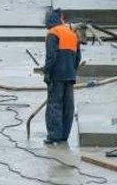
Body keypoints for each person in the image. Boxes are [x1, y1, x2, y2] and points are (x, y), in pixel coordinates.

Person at [42, 8, 81, 145]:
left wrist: (47, 72)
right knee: (68, 106)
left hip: (57, 75)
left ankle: (54, 136)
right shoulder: (72, 34)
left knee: (54, 105)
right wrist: (71, 71)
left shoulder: (53, 33)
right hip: (70, 75)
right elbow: (78, 58)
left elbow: (51, 56)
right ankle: (64, 135)